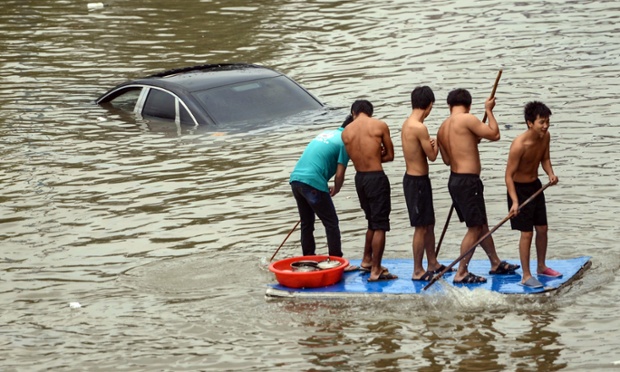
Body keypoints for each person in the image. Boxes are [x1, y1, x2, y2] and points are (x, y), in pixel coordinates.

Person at [437, 88, 520, 284]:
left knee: (480, 224)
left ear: (449, 106)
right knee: (474, 228)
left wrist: (470, 141)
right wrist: (489, 110)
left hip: (455, 180)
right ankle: (462, 272)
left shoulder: (442, 128)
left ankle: (495, 262)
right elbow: (495, 134)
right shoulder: (467, 119)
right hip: (468, 182)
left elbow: (447, 160)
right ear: (469, 105)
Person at [289, 113, 358, 271]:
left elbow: (318, 160)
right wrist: (337, 188)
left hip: (296, 179)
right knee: (331, 223)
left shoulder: (327, 133)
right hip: (312, 183)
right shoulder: (344, 142)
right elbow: (340, 174)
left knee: (307, 222)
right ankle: (337, 262)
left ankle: (307, 260)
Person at [342, 99, 398, 282]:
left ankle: (367, 261)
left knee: (371, 222)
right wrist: (377, 154)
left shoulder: (346, 132)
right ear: (370, 112)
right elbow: (390, 155)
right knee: (380, 225)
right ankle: (376, 270)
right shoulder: (379, 125)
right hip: (376, 178)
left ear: (353, 112)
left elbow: (356, 156)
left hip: (360, 179)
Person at [505, 101, 560, 288]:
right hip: (518, 190)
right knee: (526, 233)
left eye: (547, 122)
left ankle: (542, 266)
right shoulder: (519, 145)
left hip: (535, 187)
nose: (545, 126)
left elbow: (544, 158)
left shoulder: (545, 137)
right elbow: (508, 175)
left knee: (543, 229)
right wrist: (514, 201)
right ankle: (526, 275)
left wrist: (550, 174)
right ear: (530, 123)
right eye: (541, 122)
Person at [401, 86, 448, 281]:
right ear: (428, 106)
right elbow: (432, 156)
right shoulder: (420, 127)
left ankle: (433, 262)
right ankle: (418, 270)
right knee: (421, 226)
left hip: (416, 180)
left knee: (429, 223)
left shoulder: (407, 123)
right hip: (416, 182)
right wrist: (436, 142)